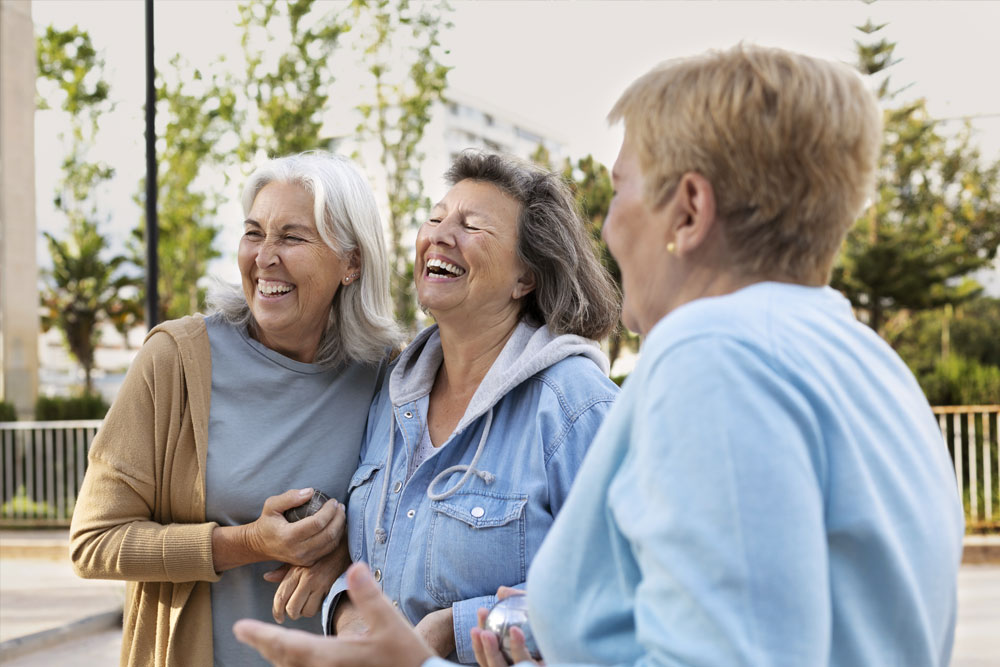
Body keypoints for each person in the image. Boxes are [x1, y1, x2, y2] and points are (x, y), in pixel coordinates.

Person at [233, 45, 965, 667]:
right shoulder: (869, 364)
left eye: (619, 190)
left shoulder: (716, 359)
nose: (607, 228)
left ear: (688, 210)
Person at [70, 151, 403, 666]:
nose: (265, 257)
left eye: (292, 237)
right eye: (254, 233)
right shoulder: (176, 360)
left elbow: (411, 529)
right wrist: (247, 542)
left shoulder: (387, 374)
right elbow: (94, 542)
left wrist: (342, 555)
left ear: (351, 262)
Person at [319, 151, 621, 664]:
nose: (440, 234)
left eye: (471, 226)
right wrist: (346, 610)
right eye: (435, 218)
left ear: (525, 277)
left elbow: (620, 595)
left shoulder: (577, 408)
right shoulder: (392, 395)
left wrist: (452, 631)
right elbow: (365, 563)